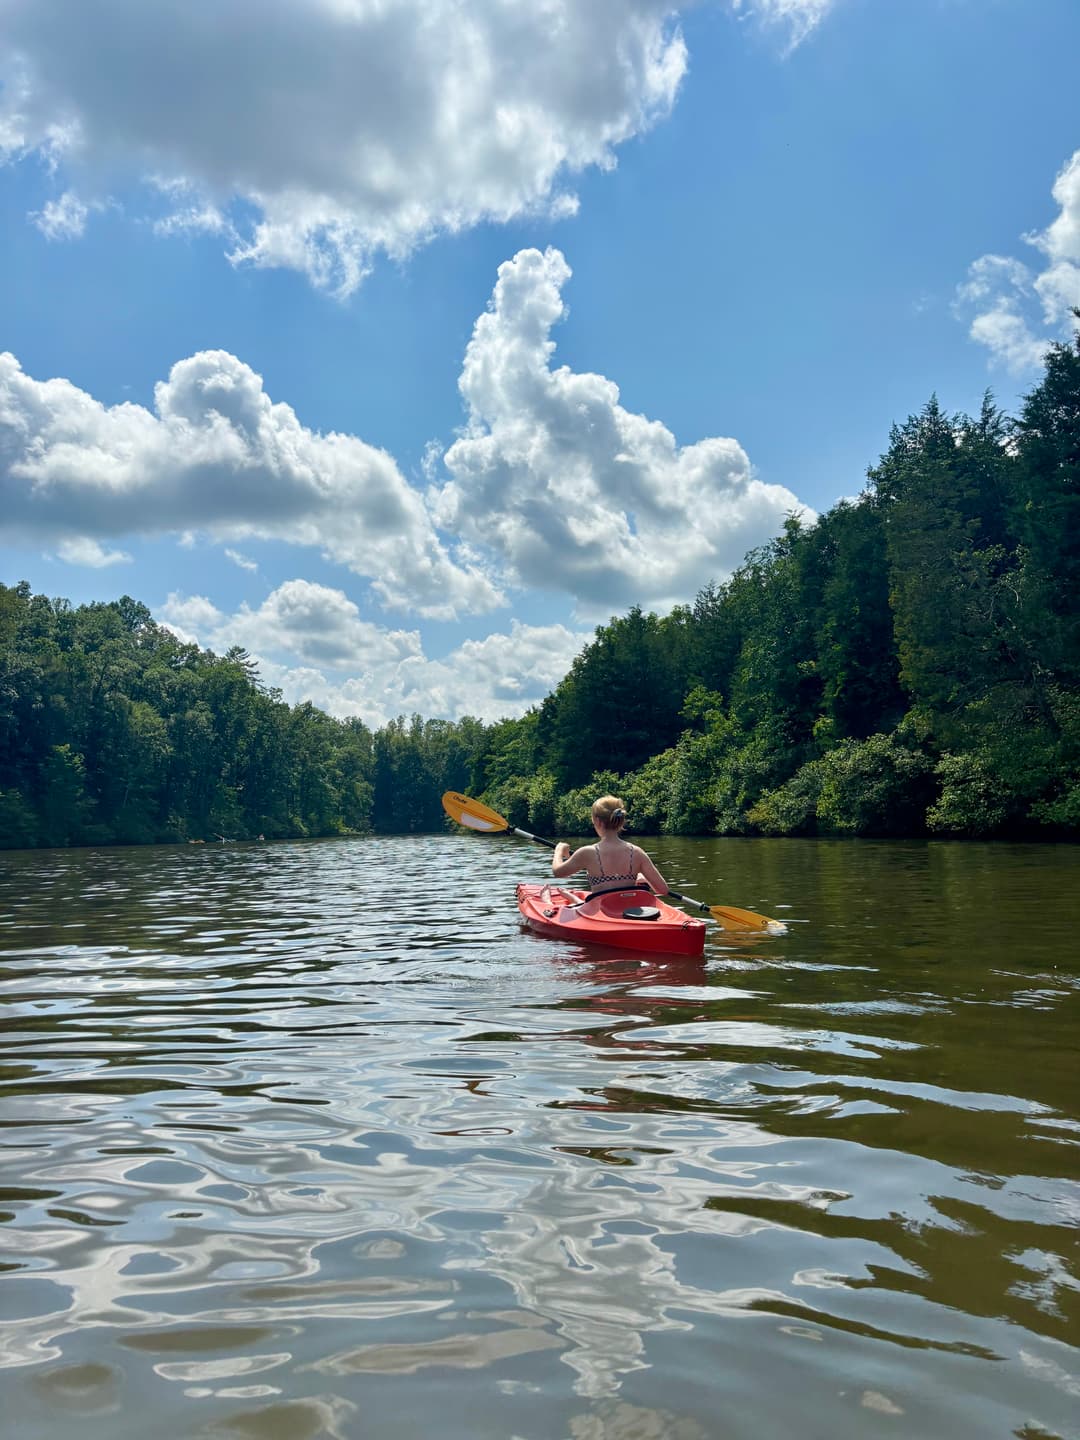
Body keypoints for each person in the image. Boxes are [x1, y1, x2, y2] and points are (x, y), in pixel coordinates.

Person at [551, 794, 667, 898]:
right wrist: (643, 878)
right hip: (629, 910)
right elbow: (662, 890)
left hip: (601, 914)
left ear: (597, 821)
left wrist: (559, 850)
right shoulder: (637, 852)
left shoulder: (587, 853)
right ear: (621, 821)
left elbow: (558, 872)